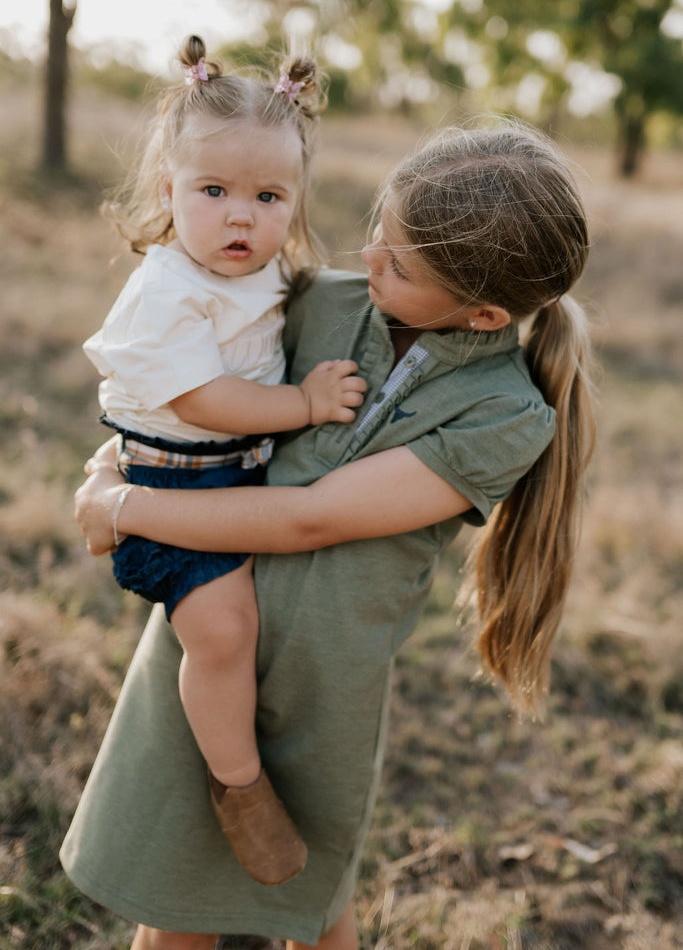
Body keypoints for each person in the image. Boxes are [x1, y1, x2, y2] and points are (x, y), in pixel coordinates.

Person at [64, 120, 596, 950]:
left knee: (311, 901)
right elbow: (185, 394)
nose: (369, 257)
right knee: (175, 894)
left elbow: (307, 517)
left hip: (328, 676)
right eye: (379, 231)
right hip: (210, 631)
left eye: (400, 264)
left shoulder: (504, 415)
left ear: (485, 312)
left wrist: (122, 508)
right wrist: (117, 463)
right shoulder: (316, 300)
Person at [80, 35, 367, 887]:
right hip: (173, 483)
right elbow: (206, 400)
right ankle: (239, 788)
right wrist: (304, 406)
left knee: (258, 627)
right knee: (223, 630)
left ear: (295, 200)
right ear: (167, 191)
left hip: (234, 475)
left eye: (267, 196)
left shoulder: (266, 271)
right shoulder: (166, 288)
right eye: (214, 191)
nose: (241, 217)